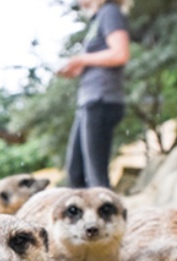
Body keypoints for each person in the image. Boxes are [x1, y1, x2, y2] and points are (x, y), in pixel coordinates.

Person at [58, 0, 130, 189]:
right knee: (76, 175)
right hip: (89, 101)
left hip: (102, 99)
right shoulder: (97, 19)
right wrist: (77, 68)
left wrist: (81, 59)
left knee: (96, 179)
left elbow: (120, 53)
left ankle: (108, 217)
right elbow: (99, 58)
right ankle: (85, 218)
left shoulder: (110, 12)